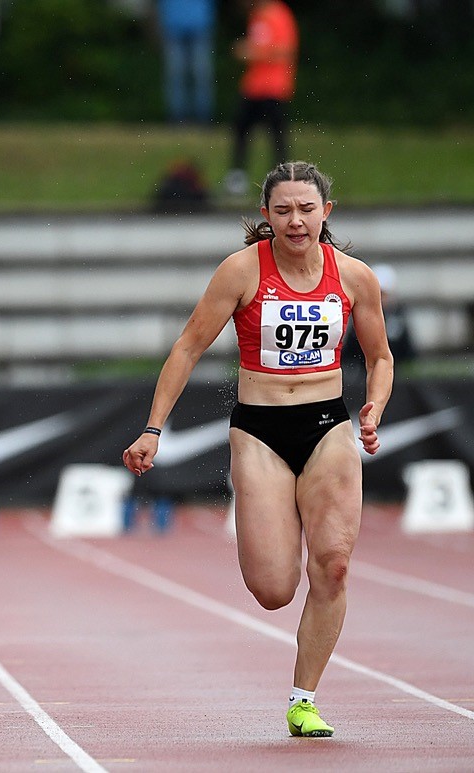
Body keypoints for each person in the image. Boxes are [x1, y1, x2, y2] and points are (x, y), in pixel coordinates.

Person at [122, 161, 393, 738]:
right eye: (283, 210)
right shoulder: (242, 270)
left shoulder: (355, 278)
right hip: (260, 431)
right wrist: (153, 428)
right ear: (266, 215)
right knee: (273, 590)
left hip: (327, 426)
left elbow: (380, 357)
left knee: (334, 565)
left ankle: (303, 699)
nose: (296, 221)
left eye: (306, 209)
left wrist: (373, 406)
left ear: (326, 212)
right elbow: (188, 346)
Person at [223, 0, 297, 197]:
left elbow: (285, 50)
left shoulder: (279, 14)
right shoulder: (256, 17)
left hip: (274, 87)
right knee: (241, 130)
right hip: (253, 86)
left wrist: (253, 52)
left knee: (277, 136)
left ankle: (283, 181)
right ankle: (237, 178)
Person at [343, 264, 414, 379]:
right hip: (364, 375)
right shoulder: (360, 316)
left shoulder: (398, 318)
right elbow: (350, 353)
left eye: (383, 294)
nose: (380, 299)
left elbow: (408, 351)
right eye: (378, 294)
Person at [156, 0, 216, 125]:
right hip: (174, 28)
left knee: (201, 74)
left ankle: (203, 117)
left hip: (200, 27)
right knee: (176, 74)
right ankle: (177, 117)